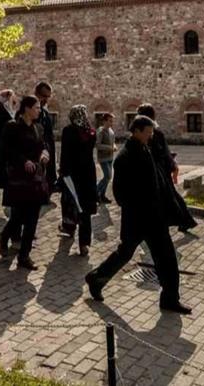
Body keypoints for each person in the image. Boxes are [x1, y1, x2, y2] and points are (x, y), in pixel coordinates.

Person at [85, 116, 191, 314]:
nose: (151, 136)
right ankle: (97, 278)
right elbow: (120, 193)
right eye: (148, 132)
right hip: (139, 218)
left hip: (153, 217)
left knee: (166, 258)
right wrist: (141, 208)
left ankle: (169, 298)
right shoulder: (125, 157)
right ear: (137, 131)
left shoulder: (144, 148)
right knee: (126, 253)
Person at [0, 95, 50, 270]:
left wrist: (44, 153)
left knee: (33, 219)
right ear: (27, 108)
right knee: (18, 216)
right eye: (36, 107)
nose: (39, 110)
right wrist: (23, 161)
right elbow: (6, 150)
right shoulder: (12, 127)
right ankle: (5, 236)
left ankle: (24, 256)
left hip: (35, 179)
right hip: (18, 179)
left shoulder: (38, 128)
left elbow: (43, 145)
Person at [137, 104, 197, 233]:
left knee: (169, 196)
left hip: (159, 170)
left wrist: (170, 166)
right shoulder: (155, 130)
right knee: (171, 195)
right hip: (161, 169)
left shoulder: (153, 132)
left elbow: (160, 152)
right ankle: (186, 221)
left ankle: (183, 221)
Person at [59, 105, 98, 255]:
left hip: (72, 173)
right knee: (85, 208)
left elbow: (65, 154)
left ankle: (69, 227)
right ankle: (84, 244)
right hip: (88, 173)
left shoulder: (68, 131)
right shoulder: (91, 132)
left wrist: (62, 172)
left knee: (70, 202)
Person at [34, 82, 58, 192]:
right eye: (44, 96)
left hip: (45, 153)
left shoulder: (45, 113)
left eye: (48, 97)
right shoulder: (27, 113)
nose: (46, 100)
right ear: (36, 94)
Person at [95, 113, 117, 203]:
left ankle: (102, 195)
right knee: (107, 176)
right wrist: (110, 148)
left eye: (112, 121)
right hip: (103, 158)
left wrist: (114, 146)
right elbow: (98, 145)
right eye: (110, 121)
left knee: (109, 177)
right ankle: (95, 193)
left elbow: (113, 142)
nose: (111, 123)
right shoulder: (101, 131)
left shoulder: (111, 131)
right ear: (104, 121)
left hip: (110, 157)